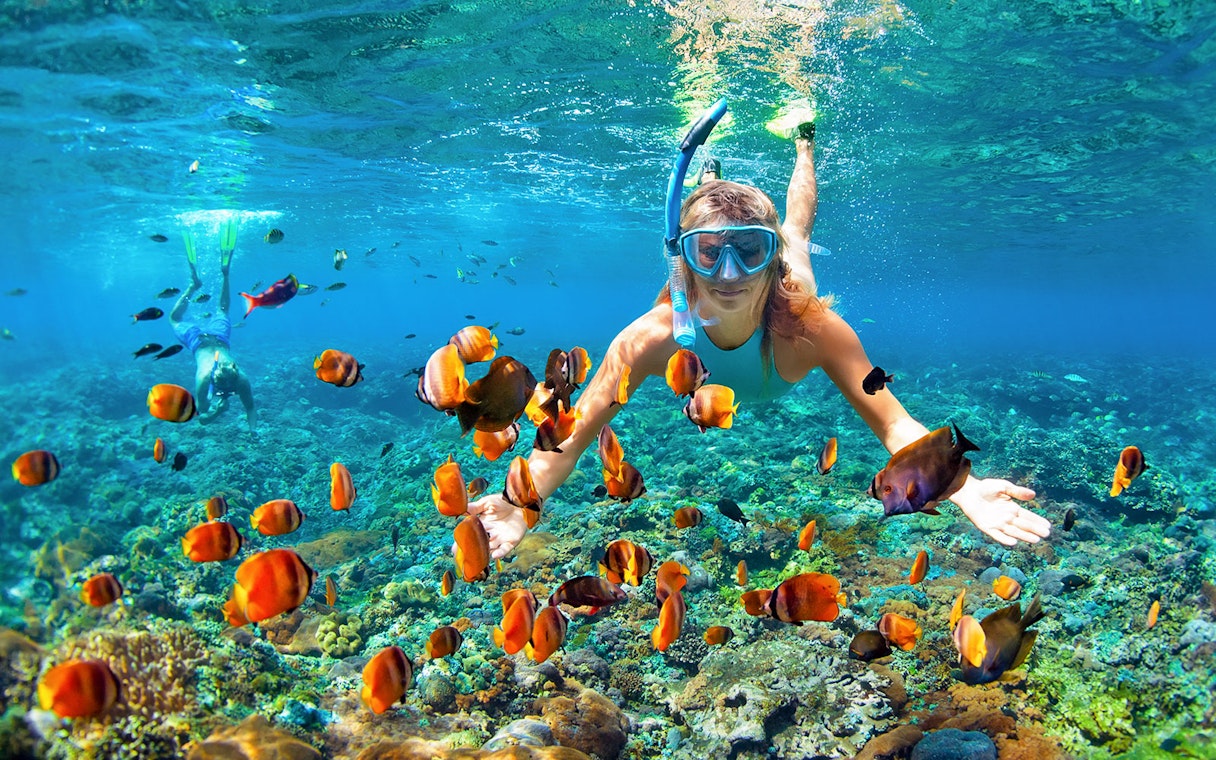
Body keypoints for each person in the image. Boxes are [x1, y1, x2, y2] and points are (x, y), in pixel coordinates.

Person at [468, 119, 1051, 558]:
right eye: (708, 253)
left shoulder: (813, 328)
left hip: (789, 294)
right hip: (683, 301)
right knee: (716, 218)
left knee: (796, 228)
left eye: (751, 250)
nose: (729, 275)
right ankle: (709, 182)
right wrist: (522, 502)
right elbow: (571, 435)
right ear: (685, 261)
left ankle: (803, 142)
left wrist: (959, 484)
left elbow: (895, 423)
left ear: (771, 263)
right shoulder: (650, 338)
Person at [168, 219, 256, 431]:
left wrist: (251, 430)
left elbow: (203, 412)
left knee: (220, 311)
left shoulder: (224, 378)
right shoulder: (213, 377)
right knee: (177, 319)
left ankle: (211, 279)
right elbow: (204, 417)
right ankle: (205, 281)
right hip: (199, 341)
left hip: (218, 338)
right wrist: (217, 412)